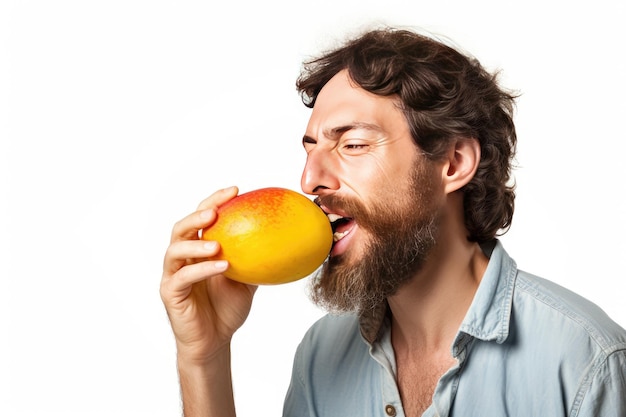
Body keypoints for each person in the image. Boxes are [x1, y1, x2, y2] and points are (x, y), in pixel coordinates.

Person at [160, 27, 626, 417]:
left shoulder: (586, 361)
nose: (309, 180)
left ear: (453, 163)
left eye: (353, 144)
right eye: (311, 149)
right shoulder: (322, 355)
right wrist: (204, 357)